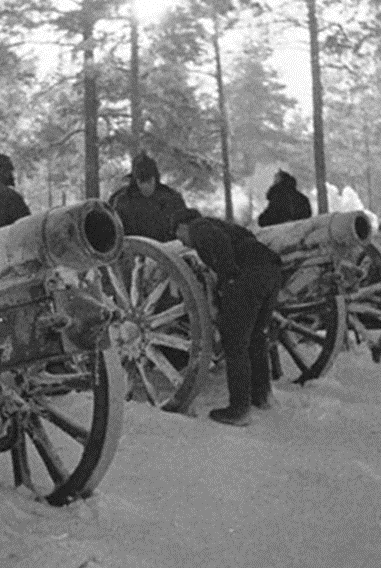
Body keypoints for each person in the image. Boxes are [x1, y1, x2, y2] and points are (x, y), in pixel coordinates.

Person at [172, 208, 284, 427]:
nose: (183, 243)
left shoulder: (199, 227)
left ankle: (239, 409)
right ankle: (261, 396)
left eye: (178, 235)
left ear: (183, 225)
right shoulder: (225, 225)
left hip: (248, 277)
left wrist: (228, 277)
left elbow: (220, 243)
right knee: (256, 338)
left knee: (235, 342)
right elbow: (247, 238)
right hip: (271, 272)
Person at [108, 152, 187, 242]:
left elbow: (183, 234)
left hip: (164, 250)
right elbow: (113, 234)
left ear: (155, 179)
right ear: (135, 181)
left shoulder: (172, 199)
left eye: (149, 181)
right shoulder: (121, 200)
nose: (146, 186)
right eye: (142, 182)